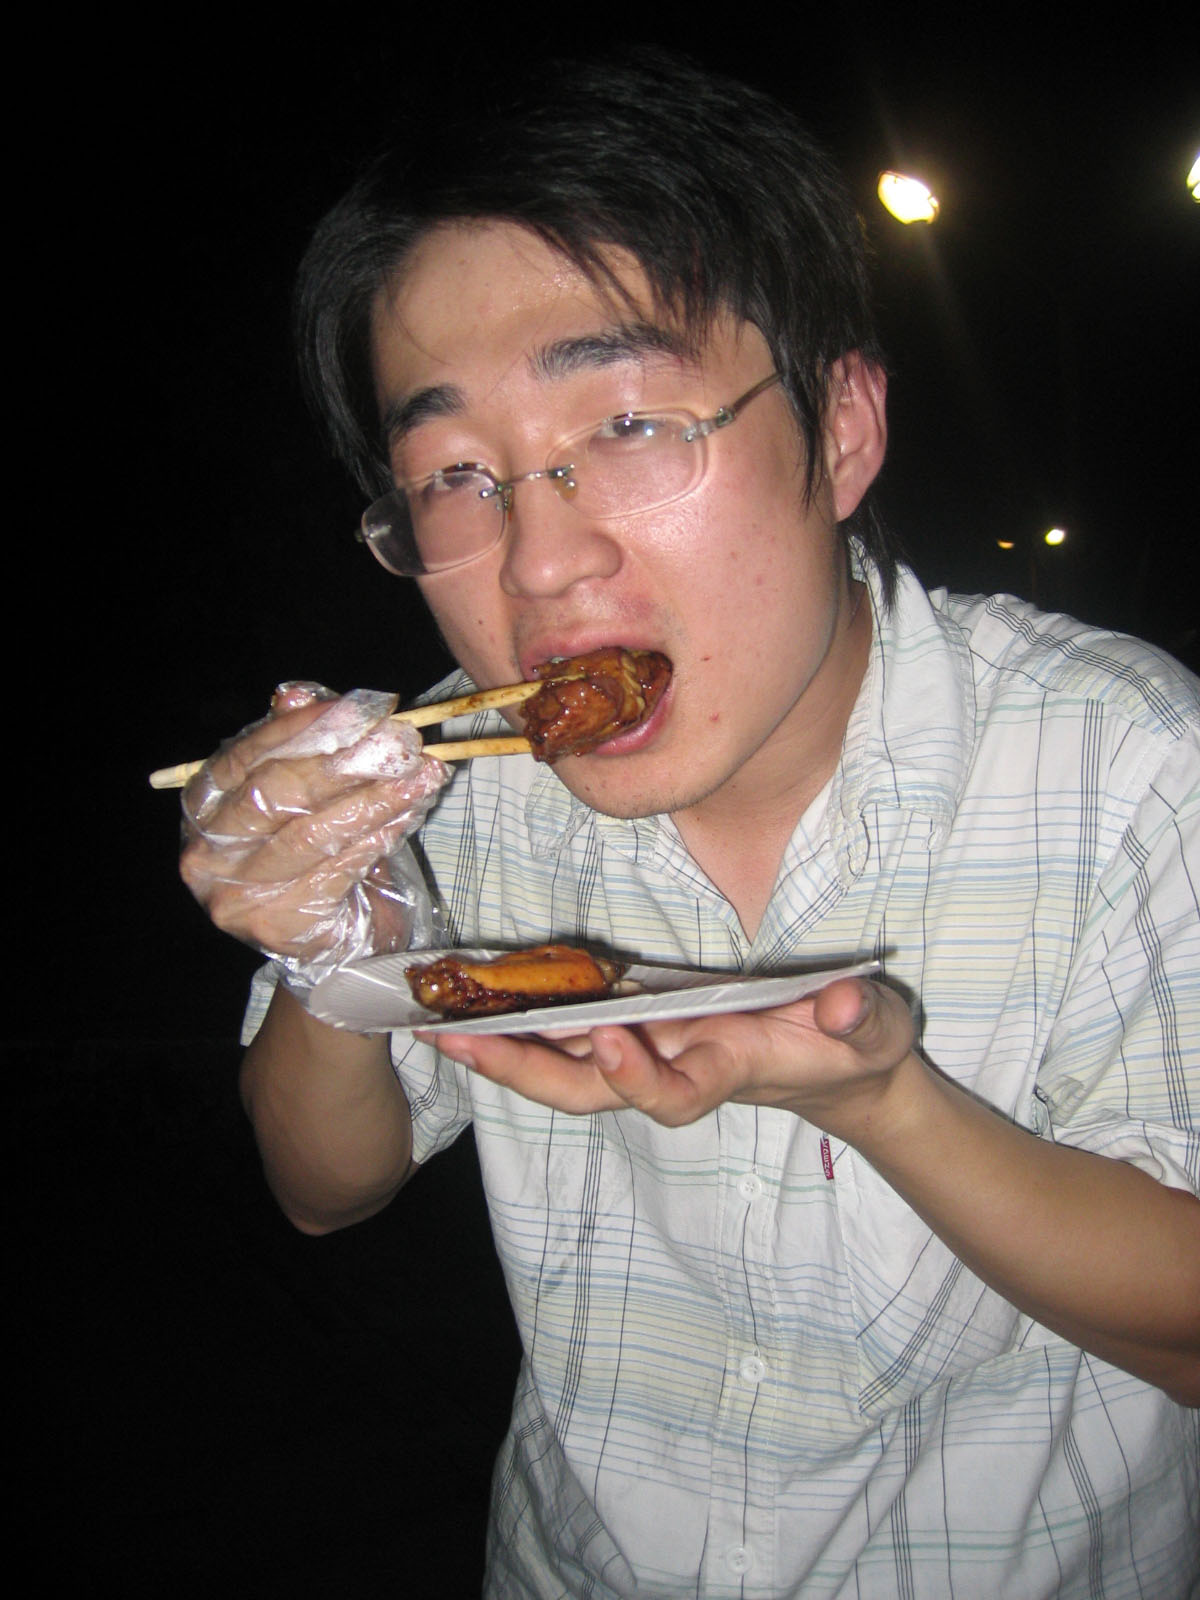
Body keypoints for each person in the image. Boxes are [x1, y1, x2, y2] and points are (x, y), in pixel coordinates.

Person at [180, 52, 1200, 1599]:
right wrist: (339, 945)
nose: (539, 563)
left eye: (630, 425)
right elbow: (327, 1188)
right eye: (453, 474)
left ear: (840, 429)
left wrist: (888, 1103)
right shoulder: (450, 774)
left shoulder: (1127, 764)